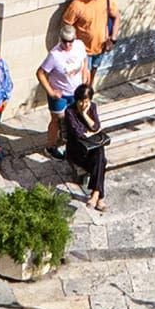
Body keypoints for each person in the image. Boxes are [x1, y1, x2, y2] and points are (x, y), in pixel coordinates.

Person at [36, 23, 89, 155]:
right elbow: (40, 73)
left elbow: (84, 60)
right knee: (57, 119)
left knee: (75, 117)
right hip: (60, 94)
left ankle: (67, 139)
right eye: (64, 41)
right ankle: (50, 147)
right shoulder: (54, 55)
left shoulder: (79, 46)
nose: (67, 45)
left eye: (70, 41)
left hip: (75, 91)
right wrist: (51, 92)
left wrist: (85, 73)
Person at [64, 0, 120, 81]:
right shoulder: (78, 4)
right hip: (84, 50)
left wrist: (113, 38)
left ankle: (89, 91)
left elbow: (117, 16)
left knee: (94, 69)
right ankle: (85, 93)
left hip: (101, 46)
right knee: (84, 76)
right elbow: (67, 25)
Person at [64, 83, 107, 212]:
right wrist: (91, 131)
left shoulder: (92, 108)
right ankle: (100, 197)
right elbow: (79, 134)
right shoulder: (70, 112)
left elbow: (95, 127)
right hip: (77, 151)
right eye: (81, 102)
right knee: (102, 162)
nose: (83, 105)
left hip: (92, 150)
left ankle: (95, 195)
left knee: (100, 155)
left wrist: (85, 115)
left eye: (86, 102)